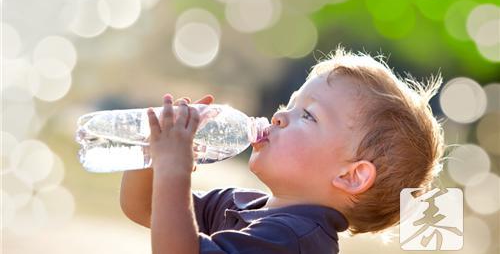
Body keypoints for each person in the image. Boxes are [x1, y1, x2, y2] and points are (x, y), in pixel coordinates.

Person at [120, 47, 445, 254]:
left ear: (350, 175)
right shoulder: (242, 204)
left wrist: (173, 170)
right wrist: (152, 151)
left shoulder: (295, 240)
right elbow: (145, 206)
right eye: (288, 104)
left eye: (307, 115)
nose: (278, 116)